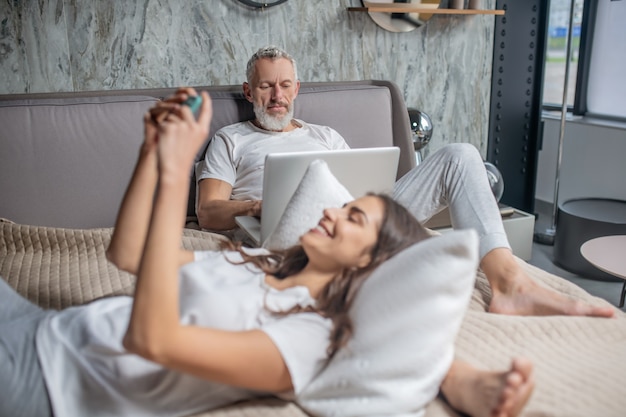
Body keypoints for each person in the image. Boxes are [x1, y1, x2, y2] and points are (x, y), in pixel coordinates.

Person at [0, 91, 531, 417]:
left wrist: (169, 176)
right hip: (46, 323)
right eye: (342, 207)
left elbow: (152, 338)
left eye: (352, 218)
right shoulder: (260, 263)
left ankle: (510, 278)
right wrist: (152, 152)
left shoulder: (308, 339)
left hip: (46, 380)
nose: (330, 210)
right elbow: (130, 253)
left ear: (371, 261)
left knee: (459, 160)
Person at [196, 45, 615, 320]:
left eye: (285, 85)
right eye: (266, 86)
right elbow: (208, 213)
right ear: (250, 91)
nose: (277, 96)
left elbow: (361, 182)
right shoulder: (231, 140)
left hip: (360, 219)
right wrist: (255, 205)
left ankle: (507, 279)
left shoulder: (326, 136)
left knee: (461, 155)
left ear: (297, 88)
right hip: (295, 232)